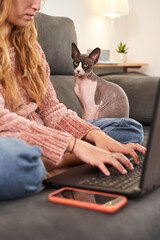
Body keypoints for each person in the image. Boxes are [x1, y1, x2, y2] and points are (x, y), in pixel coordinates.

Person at [0, 0, 146, 200]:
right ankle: (64, 159)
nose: (37, 6)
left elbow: (52, 110)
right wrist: (76, 146)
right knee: (13, 163)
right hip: (10, 142)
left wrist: (95, 136)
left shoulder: (31, 47)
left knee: (129, 130)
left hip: (46, 135)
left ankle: (55, 159)